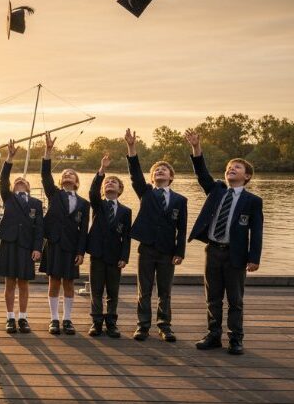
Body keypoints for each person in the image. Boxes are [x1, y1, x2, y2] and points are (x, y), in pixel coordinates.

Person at [185, 130, 264, 355]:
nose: (231, 169)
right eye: (229, 167)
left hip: (236, 255)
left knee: (235, 300)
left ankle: (236, 339)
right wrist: (196, 148)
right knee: (213, 297)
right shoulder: (217, 190)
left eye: (237, 167)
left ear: (247, 176)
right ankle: (213, 335)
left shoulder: (253, 201)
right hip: (213, 251)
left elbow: (256, 231)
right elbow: (202, 173)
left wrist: (254, 257)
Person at [125, 128, 187, 343]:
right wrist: (132, 148)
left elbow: (182, 228)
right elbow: (134, 173)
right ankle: (142, 326)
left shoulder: (180, 200)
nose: (160, 171)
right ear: (152, 178)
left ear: (171, 177)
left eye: (164, 169)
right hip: (147, 248)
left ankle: (165, 326)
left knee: (165, 291)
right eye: (156, 170)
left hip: (168, 251)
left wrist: (180, 252)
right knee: (144, 290)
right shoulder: (146, 193)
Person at [39, 131, 89, 335]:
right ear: (61, 181)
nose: (68, 176)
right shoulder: (54, 194)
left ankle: (67, 319)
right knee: (54, 282)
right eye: (65, 174)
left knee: (69, 283)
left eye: (72, 174)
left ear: (76, 182)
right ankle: (54, 320)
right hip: (53, 244)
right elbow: (45, 175)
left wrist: (81, 252)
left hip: (71, 246)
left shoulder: (84, 204)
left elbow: (84, 230)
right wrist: (48, 151)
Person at [0, 139, 44, 334]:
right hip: (9, 243)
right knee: (9, 283)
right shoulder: (8, 198)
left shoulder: (36, 203)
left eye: (24, 181)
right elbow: (2, 180)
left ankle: (23, 318)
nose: (20, 182)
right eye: (17, 181)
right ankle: (9, 318)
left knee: (23, 283)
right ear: (13, 187)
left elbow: (39, 228)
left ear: (29, 187)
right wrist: (9, 158)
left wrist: (37, 248)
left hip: (26, 246)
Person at [86, 153, 132, 338]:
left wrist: (124, 257)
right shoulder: (98, 205)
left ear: (120, 190)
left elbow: (127, 237)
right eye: (107, 182)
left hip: (115, 256)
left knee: (113, 291)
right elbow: (92, 192)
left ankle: (111, 323)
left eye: (114, 182)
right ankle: (96, 322)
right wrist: (102, 170)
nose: (109, 183)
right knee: (96, 290)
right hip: (97, 254)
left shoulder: (126, 211)